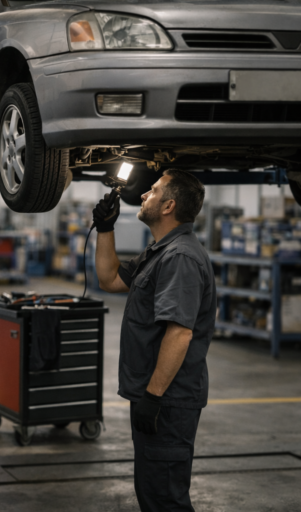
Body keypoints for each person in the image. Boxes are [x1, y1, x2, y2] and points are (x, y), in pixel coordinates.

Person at [92, 169, 215, 512]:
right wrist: (105, 228)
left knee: (164, 500)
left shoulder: (180, 258)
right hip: (157, 397)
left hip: (167, 401)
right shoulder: (161, 251)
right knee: (154, 493)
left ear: (168, 206)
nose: (144, 194)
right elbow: (110, 279)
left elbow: (180, 332)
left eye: (154, 190)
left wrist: (153, 396)